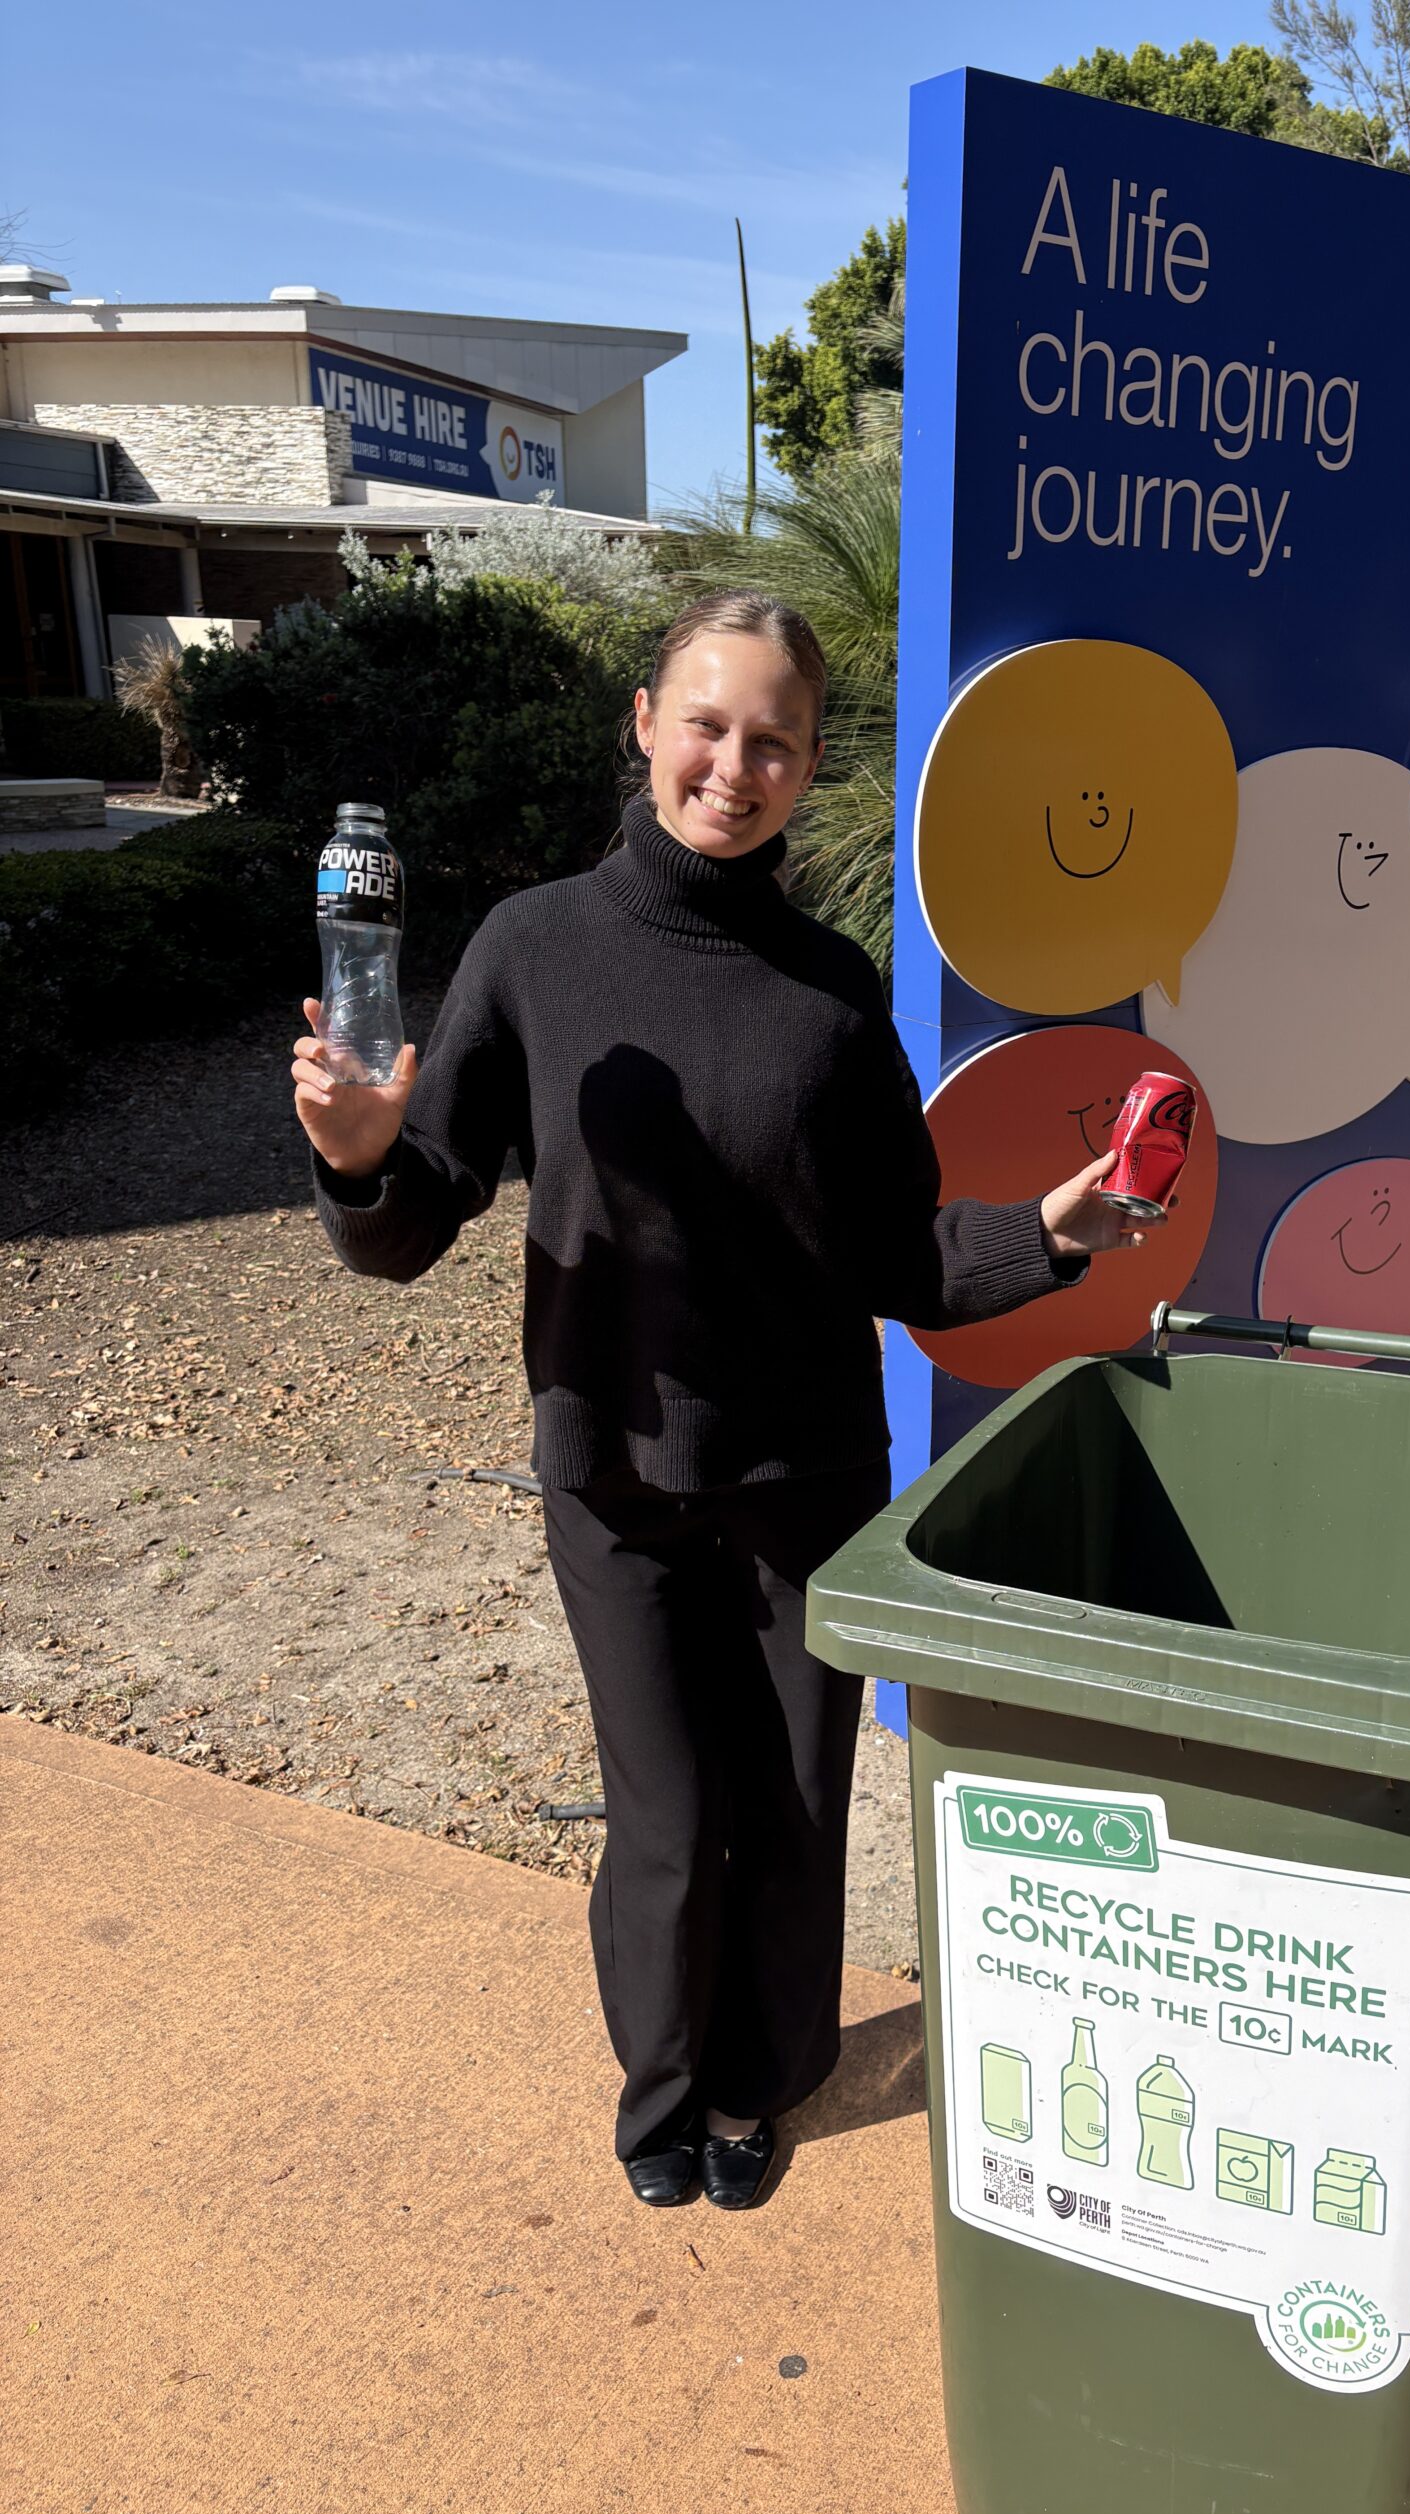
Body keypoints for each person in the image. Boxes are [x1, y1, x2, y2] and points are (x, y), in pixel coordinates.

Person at [292, 591, 1145, 2212]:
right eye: (705, 724)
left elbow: (897, 1253)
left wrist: (1047, 1234)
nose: (731, 768)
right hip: (610, 1472)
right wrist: (356, 1165)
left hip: (804, 1478)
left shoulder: (833, 991)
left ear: (810, 766)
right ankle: (665, 2088)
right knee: (673, 1818)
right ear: (644, 725)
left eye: (773, 742)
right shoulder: (533, 949)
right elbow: (415, 1215)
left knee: (798, 1809)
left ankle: (763, 2081)